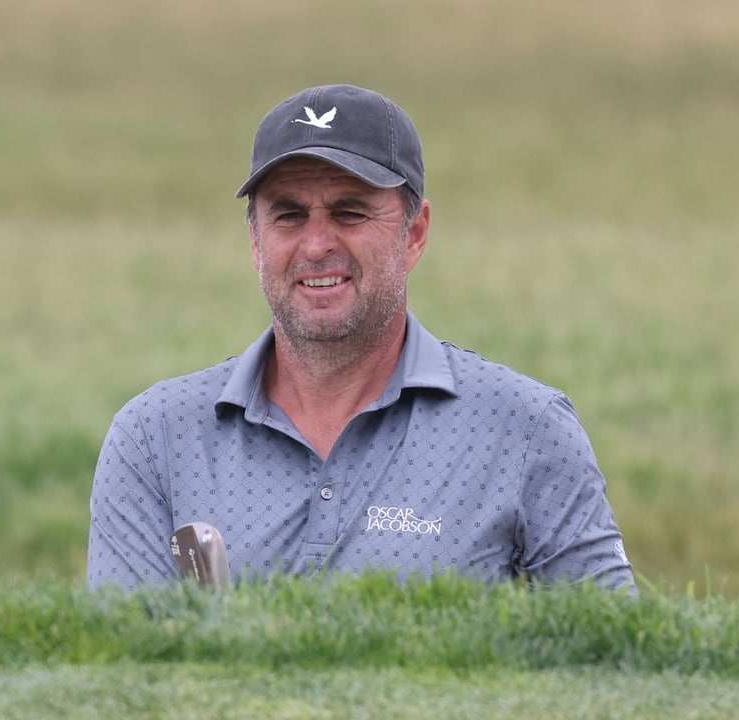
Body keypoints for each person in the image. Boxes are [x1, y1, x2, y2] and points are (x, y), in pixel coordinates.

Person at [87, 84, 634, 592]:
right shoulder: (154, 438)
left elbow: (616, 661)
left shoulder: (526, 429)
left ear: (414, 234)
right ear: (254, 242)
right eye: (288, 215)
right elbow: (124, 673)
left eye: (350, 211)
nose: (317, 243)